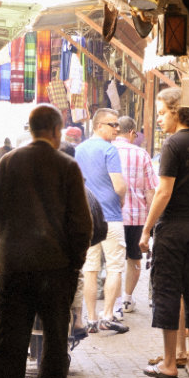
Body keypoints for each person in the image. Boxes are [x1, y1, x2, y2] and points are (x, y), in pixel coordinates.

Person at [0, 104, 92, 378]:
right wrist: (73, 264)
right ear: (57, 131)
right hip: (55, 271)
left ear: (30, 129)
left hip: (13, 269)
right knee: (55, 349)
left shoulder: (8, 162)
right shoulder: (67, 166)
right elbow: (81, 226)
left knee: (8, 350)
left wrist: (11, 235)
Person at [139, 87, 189, 378]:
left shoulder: (173, 144)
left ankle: (170, 363)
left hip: (174, 228)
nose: (159, 119)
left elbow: (163, 191)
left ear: (176, 111)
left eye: (161, 113)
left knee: (168, 292)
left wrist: (146, 229)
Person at [74, 108, 128, 334]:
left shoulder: (79, 149)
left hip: (87, 217)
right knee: (115, 267)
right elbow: (119, 185)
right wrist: (122, 198)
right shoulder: (109, 150)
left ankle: (91, 319)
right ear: (98, 126)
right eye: (112, 125)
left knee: (90, 269)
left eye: (117, 125)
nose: (117, 129)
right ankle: (107, 315)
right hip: (111, 217)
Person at [113, 116, 157, 313]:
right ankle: (127, 299)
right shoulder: (141, 154)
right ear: (132, 133)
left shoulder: (107, 150)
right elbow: (150, 190)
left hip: (110, 215)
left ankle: (111, 305)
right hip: (136, 216)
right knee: (134, 259)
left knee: (112, 261)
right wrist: (151, 220)